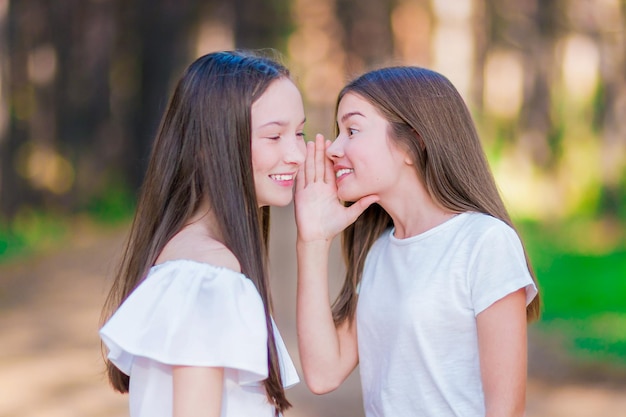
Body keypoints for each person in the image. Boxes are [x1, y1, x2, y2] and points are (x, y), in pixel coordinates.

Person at [294, 66, 541, 417]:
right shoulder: (379, 251)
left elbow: (506, 410)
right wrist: (313, 241)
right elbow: (323, 373)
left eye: (352, 130)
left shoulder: (485, 242)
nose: (333, 148)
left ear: (413, 143)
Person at [99, 50, 305, 417]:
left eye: (299, 132)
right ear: (209, 146)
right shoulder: (209, 276)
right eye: (274, 136)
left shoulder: (186, 259)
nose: (297, 154)